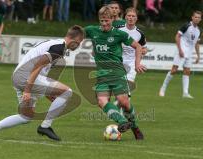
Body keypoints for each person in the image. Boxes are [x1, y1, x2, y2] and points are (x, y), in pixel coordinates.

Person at [0, 25, 85, 141]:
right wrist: (28, 90)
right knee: (67, 92)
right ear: (74, 39)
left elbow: (42, 71)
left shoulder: (58, 46)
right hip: (25, 77)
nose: (78, 46)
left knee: (26, 116)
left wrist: (48, 93)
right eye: (79, 42)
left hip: (20, 76)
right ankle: (45, 126)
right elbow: (38, 66)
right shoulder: (59, 47)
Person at [84, 6, 146, 140]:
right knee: (101, 101)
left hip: (117, 72)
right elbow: (76, 35)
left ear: (112, 19)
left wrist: (137, 64)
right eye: (102, 21)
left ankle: (134, 126)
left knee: (123, 101)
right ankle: (123, 122)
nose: (105, 24)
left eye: (107, 20)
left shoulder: (119, 34)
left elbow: (138, 46)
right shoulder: (91, 30)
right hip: (102, 74)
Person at [159, 11, 201, 98]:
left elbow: (196, 43)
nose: (197, 19)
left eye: (198, 17)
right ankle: (163, 88)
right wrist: (180, 50)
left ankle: (185, 93)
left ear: (200, 19)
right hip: (181, 51)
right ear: (192, 17)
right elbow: (177, 36)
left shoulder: (199, 30)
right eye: (195, 17)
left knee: (187, 71)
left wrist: (198, 55)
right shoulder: (186, 26)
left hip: (189, 53)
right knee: (174, 70)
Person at [119, 7, 147, 90]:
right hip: (118, 60)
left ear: (136, 18)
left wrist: (143, 51)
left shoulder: (140, 34)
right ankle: (120, 101)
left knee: (128, 84)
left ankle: (121, 102)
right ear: (125, 17)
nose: (131, 18)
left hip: (132, 62)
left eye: (133, 16)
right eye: (129, 15)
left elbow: (144, 48)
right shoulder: (118, 29)